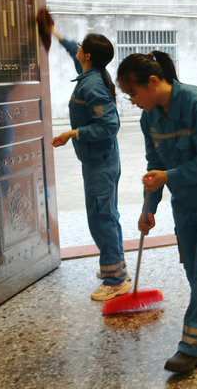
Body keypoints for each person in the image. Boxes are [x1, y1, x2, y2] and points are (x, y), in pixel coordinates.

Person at [117, 51, 197, 373]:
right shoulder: (149, 118)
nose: (131, 101)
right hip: (185, 199)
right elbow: (155, 166)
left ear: (153, 82)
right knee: (192, 265)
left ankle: (191, 348)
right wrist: (149, 208)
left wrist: (168, 176)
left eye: (132, 93)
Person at [49, 26, 131, 300]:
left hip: (101, 162)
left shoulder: (92, 85)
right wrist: (55, 33)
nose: (78, 49)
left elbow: (109, 125)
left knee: (101, 217)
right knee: (107, 214)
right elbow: (75, 49)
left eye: (82, 48)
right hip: (101, 159)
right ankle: (116, 266)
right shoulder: (92, 72)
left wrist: (73, 133)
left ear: (88, 56)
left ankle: (116, 280)